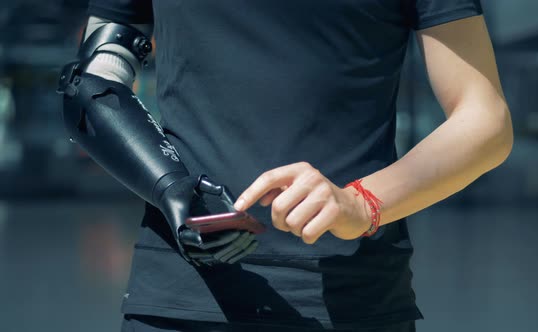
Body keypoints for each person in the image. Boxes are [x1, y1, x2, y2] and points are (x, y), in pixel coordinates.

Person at [59, 0, 513, 331]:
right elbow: (95, 86)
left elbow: (486, 119)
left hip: (348, 299)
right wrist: (170, 187)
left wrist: (361, 201)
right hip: (181, 294)